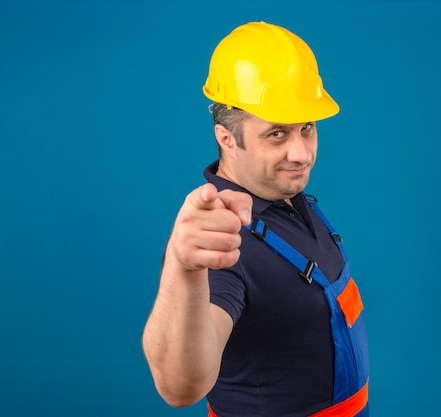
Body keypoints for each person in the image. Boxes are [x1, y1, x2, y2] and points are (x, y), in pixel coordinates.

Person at [142, 21, 369, 417]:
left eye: (307, 128)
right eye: (277, 135)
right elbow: (180, 387)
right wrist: (185, 269)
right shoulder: (220, 240)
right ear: (227, 138)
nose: (301, 153)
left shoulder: (283, 194)